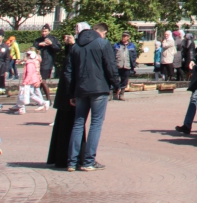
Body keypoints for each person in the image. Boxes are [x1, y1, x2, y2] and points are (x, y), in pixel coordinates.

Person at [67, 22, 121, 171]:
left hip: (80, 89)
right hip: (99, 88)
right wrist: (117, 85)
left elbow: (69, 72)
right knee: (96, 124)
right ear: (102, 32)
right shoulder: (103, 44)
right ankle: (88, 161)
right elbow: (110, 66)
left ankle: (72, 161)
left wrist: (71, 92)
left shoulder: (76, 46)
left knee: (78, 123)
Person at [47, 29, 82, 169]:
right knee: (70, 126)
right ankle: (68, 158)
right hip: (68, 96)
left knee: (68, 126)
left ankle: (65, 158)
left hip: (67, 95)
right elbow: (69, 70)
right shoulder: (74, 50)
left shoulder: (75, 49)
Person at [16, 48, 49, 113]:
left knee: (23, 94)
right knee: (31, 94)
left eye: (25, 56)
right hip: (31, 81)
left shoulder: (30, 64)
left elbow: (29, 74)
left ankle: (21, 108)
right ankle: (44, 103)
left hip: (29, 81)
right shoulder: (29, 63)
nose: (24, 57)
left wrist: (25, 82)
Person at [111, 33, 136, 100]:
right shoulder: (117, 45)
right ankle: (113, 93)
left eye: (125, 36)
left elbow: (134, 56)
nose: (123, 37)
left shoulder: (131, 46)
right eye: (123, 36)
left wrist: (133, 65)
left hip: (127, 66)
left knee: (124, 80)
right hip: (117, 65)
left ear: (128, 37)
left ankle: (121, 94)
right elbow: (112, 55)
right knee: (115, 79)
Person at [35, 24, 57, 102]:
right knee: (38, 81)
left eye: (45, 31)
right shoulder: (38, 40)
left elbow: (58, 48)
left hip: (47, 63)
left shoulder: (53, 39)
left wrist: (51, 44)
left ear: (49, 31)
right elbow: (33, 47)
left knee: (43, 80)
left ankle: (48, 99)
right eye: (43, 31)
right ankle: (39, 99)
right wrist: (39, 44)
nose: (44, 33)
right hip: (38, 63)